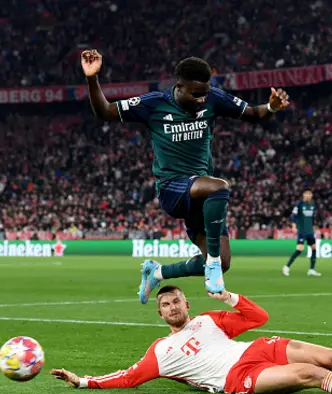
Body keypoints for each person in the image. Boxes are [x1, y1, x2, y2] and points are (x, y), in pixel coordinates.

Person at [80, 50, 290, 303]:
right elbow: (104, 111)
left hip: (201, 197)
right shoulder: (154, 104)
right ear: (179, 86)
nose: (202, 99)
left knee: (223, 261)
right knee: (219, 188)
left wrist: (271, 107)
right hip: (173, 188)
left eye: (204, 92)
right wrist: (92, 78)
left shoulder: (214, 98)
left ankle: (156, 272)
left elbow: (255, 114)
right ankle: (210, 264)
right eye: (195, 93)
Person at [51, 285, 332, 394]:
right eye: (164, 305)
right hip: (236, 378)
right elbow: (129, 377)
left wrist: (231, 298)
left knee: (330, 355)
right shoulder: (161, 353)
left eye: (176, 301)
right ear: (160, 314)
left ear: (187, 304)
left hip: (254, 350)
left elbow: (258, 319)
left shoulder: (207, 320)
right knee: (310, 373)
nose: (171, 307)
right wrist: (83, 380)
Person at [283, 189, 321, 277]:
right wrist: (293, 226)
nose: (308, 195)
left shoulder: (312, 205)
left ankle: (311, 270)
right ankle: (286, 267)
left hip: (310, 232)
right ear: (304, 195)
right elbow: (293, 216)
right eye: (307, 194)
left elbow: (312, 218)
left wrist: (313, 226)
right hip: (302, 231)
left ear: (311, 195)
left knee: (314, 248)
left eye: (310, 194)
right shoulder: (299, 204)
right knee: (300, 249)